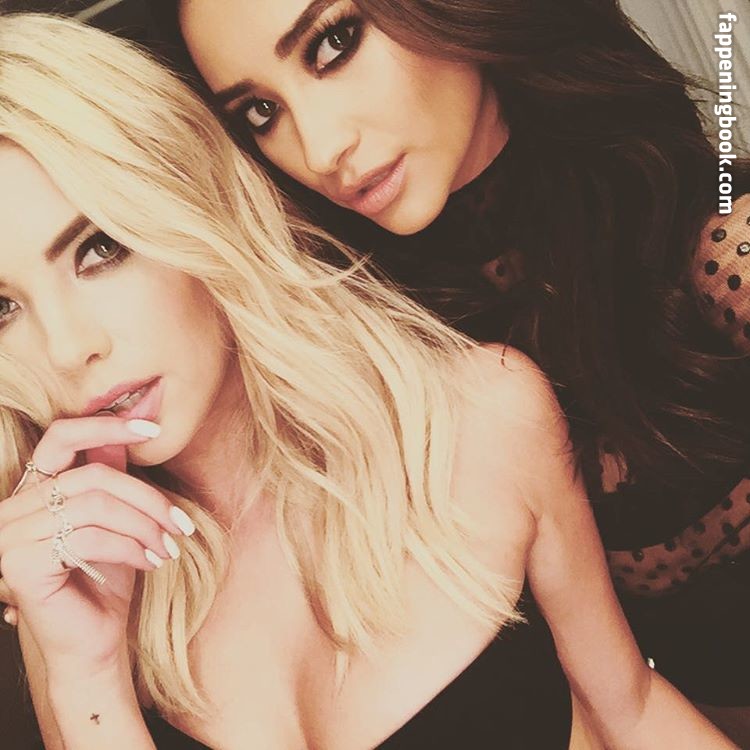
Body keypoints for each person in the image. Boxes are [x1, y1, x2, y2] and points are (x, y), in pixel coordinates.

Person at [0, 11, 738, 750]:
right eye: (2, 308)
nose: (67, 349)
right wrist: (87, 677)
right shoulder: (70, 583)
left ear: (198, 199)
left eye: (99, 248)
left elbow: (630, 711)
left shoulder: (478, 414)